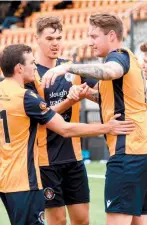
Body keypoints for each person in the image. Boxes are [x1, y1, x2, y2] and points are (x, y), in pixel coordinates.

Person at [0, 44, 134, 225]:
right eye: (31, 63)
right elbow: (65, 129)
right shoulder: (26, 97)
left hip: (5, 179)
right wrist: (107, 127)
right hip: (24, 180)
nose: (35, 67)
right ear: (19, 68)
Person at [41, 13, 147, 225]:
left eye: (94, 36)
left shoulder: (118, 57)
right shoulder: (128, 59)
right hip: (139, 152)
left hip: (127, 154)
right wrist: (87, 94)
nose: (89, 42)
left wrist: (67, 67)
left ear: (111, 36)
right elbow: (115, 97)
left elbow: (109, 71)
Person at [25, 16, 99, 225]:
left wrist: (87, 93)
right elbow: (43, 117)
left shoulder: (71, 68)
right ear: (37, 38)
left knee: (82, 220)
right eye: (49, 38)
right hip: (46, 161)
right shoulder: (30, 75)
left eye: (59, 38)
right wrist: (71, 99)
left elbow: (98, 94)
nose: (55, 43)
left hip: (74, 157)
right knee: (57, 221)